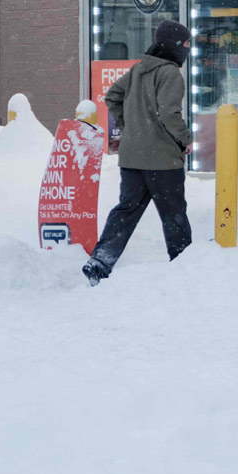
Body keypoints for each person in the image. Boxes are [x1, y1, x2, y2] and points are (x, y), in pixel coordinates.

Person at [83, 19, 195, 285]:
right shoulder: (170, 74)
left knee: (126, 210)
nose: (189, 49)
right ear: (174, 45)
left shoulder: (138, 69)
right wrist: (185, 140)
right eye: (187, 44)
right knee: (174, 213)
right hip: (162, 160)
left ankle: (99, 262)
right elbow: (169, 114)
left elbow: (111, 96)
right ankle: (187, 265)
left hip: (132, 158)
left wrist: (128, 127)